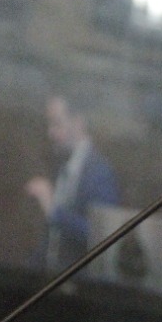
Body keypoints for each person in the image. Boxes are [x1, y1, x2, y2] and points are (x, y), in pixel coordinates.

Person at [25, 91, 121, 271]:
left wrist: (53, 210)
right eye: (49, 124)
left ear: (78, 123)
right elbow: (52, 241)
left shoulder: (99, 172)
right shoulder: (61, 165)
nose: (50, 133)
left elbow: (102, 237)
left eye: (57, 124)